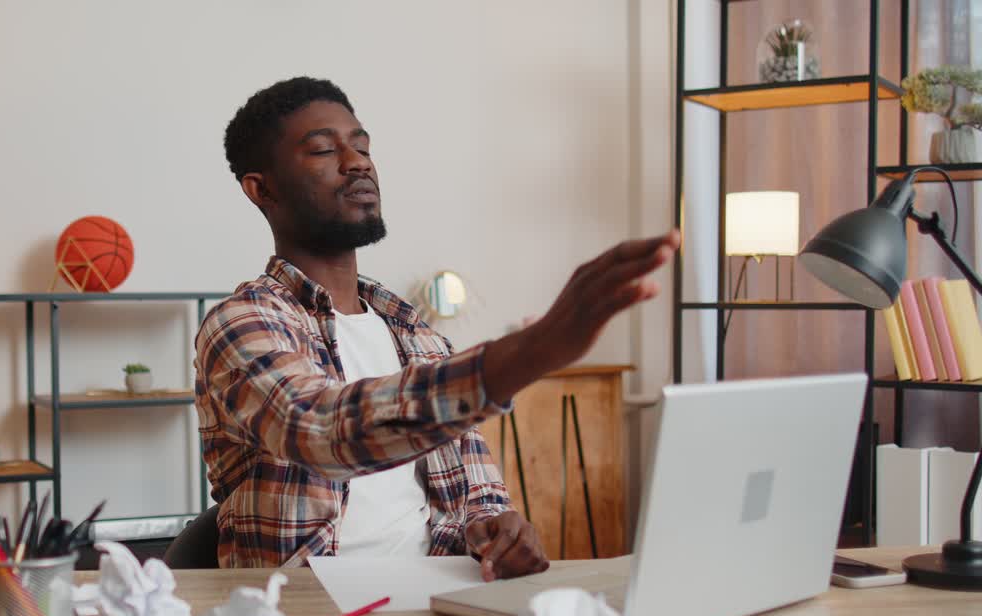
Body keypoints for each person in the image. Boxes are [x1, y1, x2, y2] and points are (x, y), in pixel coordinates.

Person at [195, 76, 677, 579]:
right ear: (261, 188)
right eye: (322, 149)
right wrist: (531, 351)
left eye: (362, 145)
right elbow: (318, 431)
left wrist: (496, 530)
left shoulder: (415, 332)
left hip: (434, 604)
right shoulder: (241, 323)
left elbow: (476, 497)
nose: (357, 161)